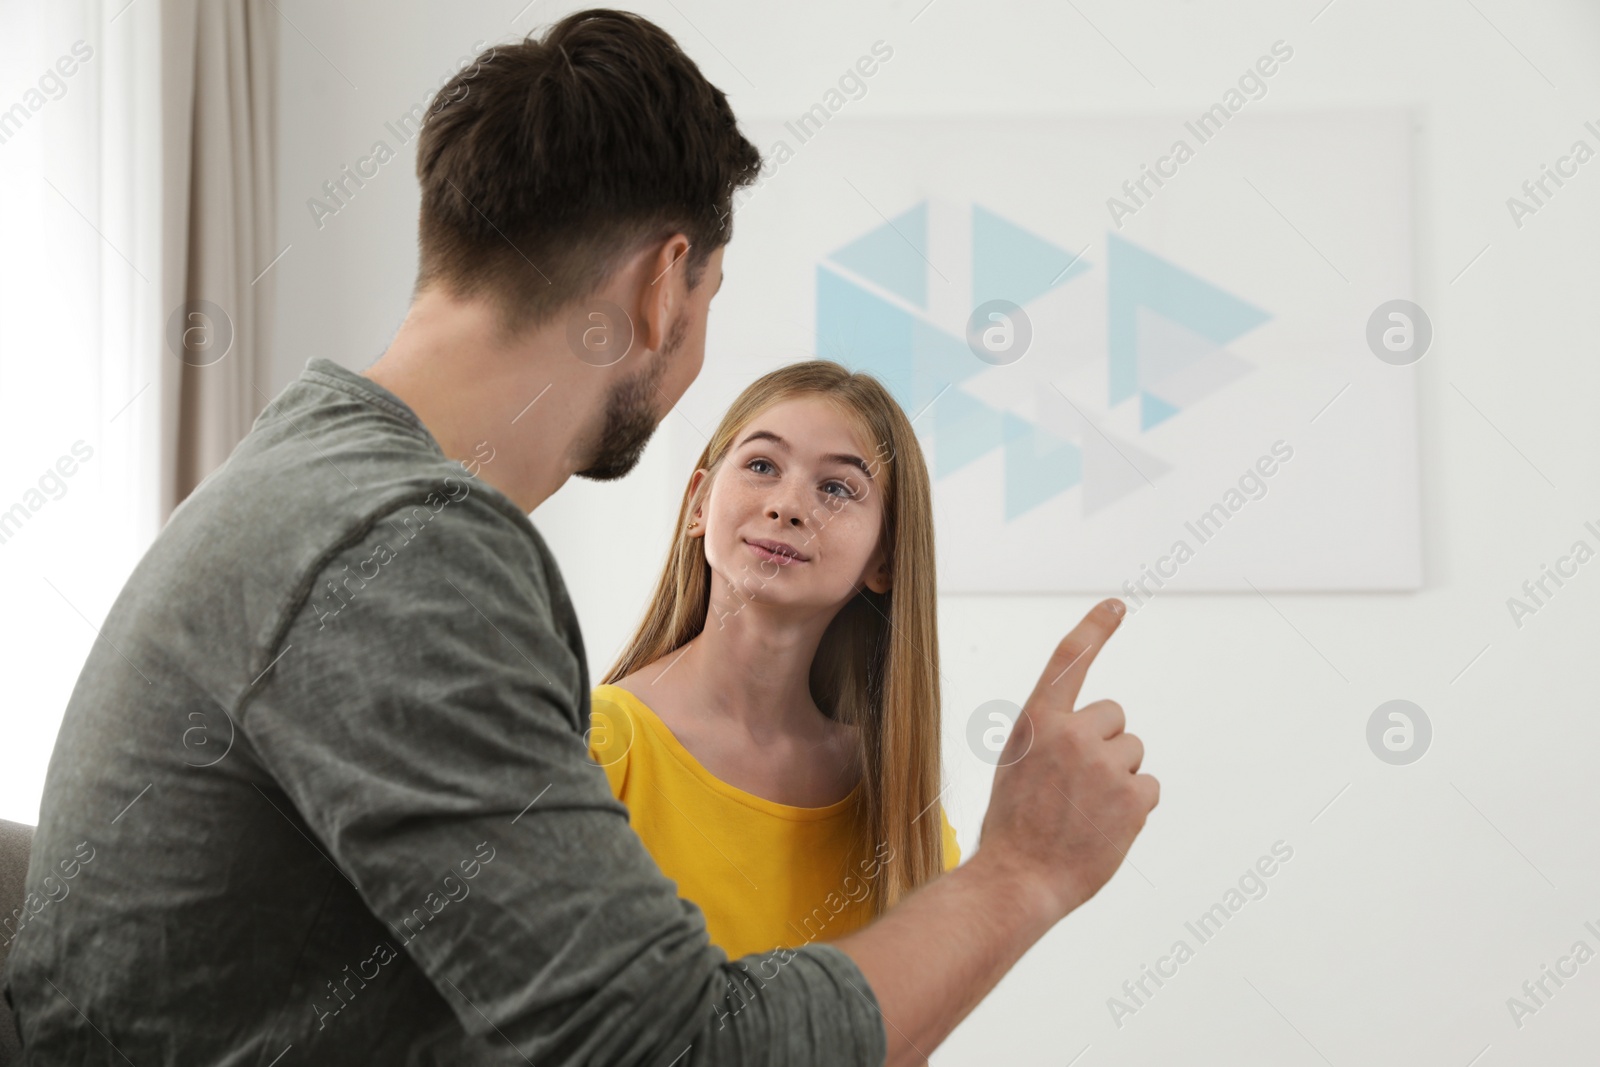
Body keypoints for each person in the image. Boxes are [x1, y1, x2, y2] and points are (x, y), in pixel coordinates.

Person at [2, 9, 1158, 1066]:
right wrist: (1020, 870)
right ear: (665, 286)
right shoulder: (402, 553)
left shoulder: (313, 475)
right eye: (711, 296)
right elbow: (662, 1051)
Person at [589, 361, 961, 962]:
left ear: (885, 560)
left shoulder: (899, 806)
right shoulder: (596, 747)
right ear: (698, 504)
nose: (788, 506)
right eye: (762, 466)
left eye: (836, 488)